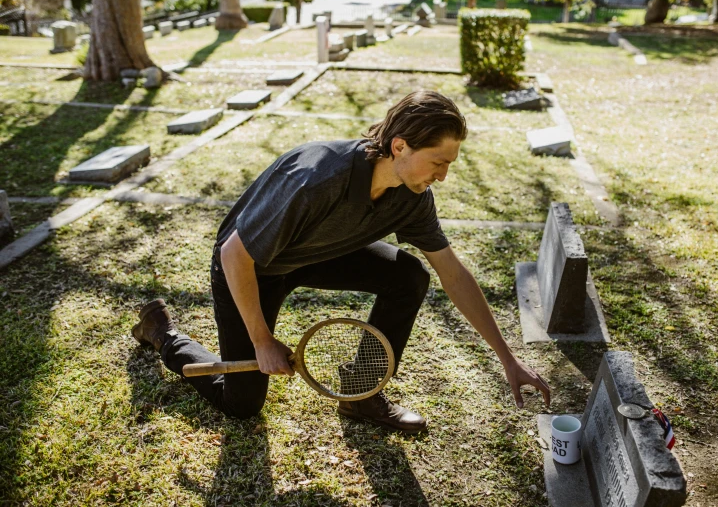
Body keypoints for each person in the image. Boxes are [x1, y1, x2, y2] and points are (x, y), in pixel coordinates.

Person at [131, 91, 551, 433]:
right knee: (241, 405)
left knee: (408, 276)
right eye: (438, 162)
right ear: (400, 146)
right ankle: (164, 334)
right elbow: (233, 254)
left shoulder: (413, 197)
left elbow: (453, 274)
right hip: (251, 266)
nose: (442, 176)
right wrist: (262, 341)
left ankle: (362, 393)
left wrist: (508, 358)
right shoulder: (317, 178)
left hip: (314, 255)